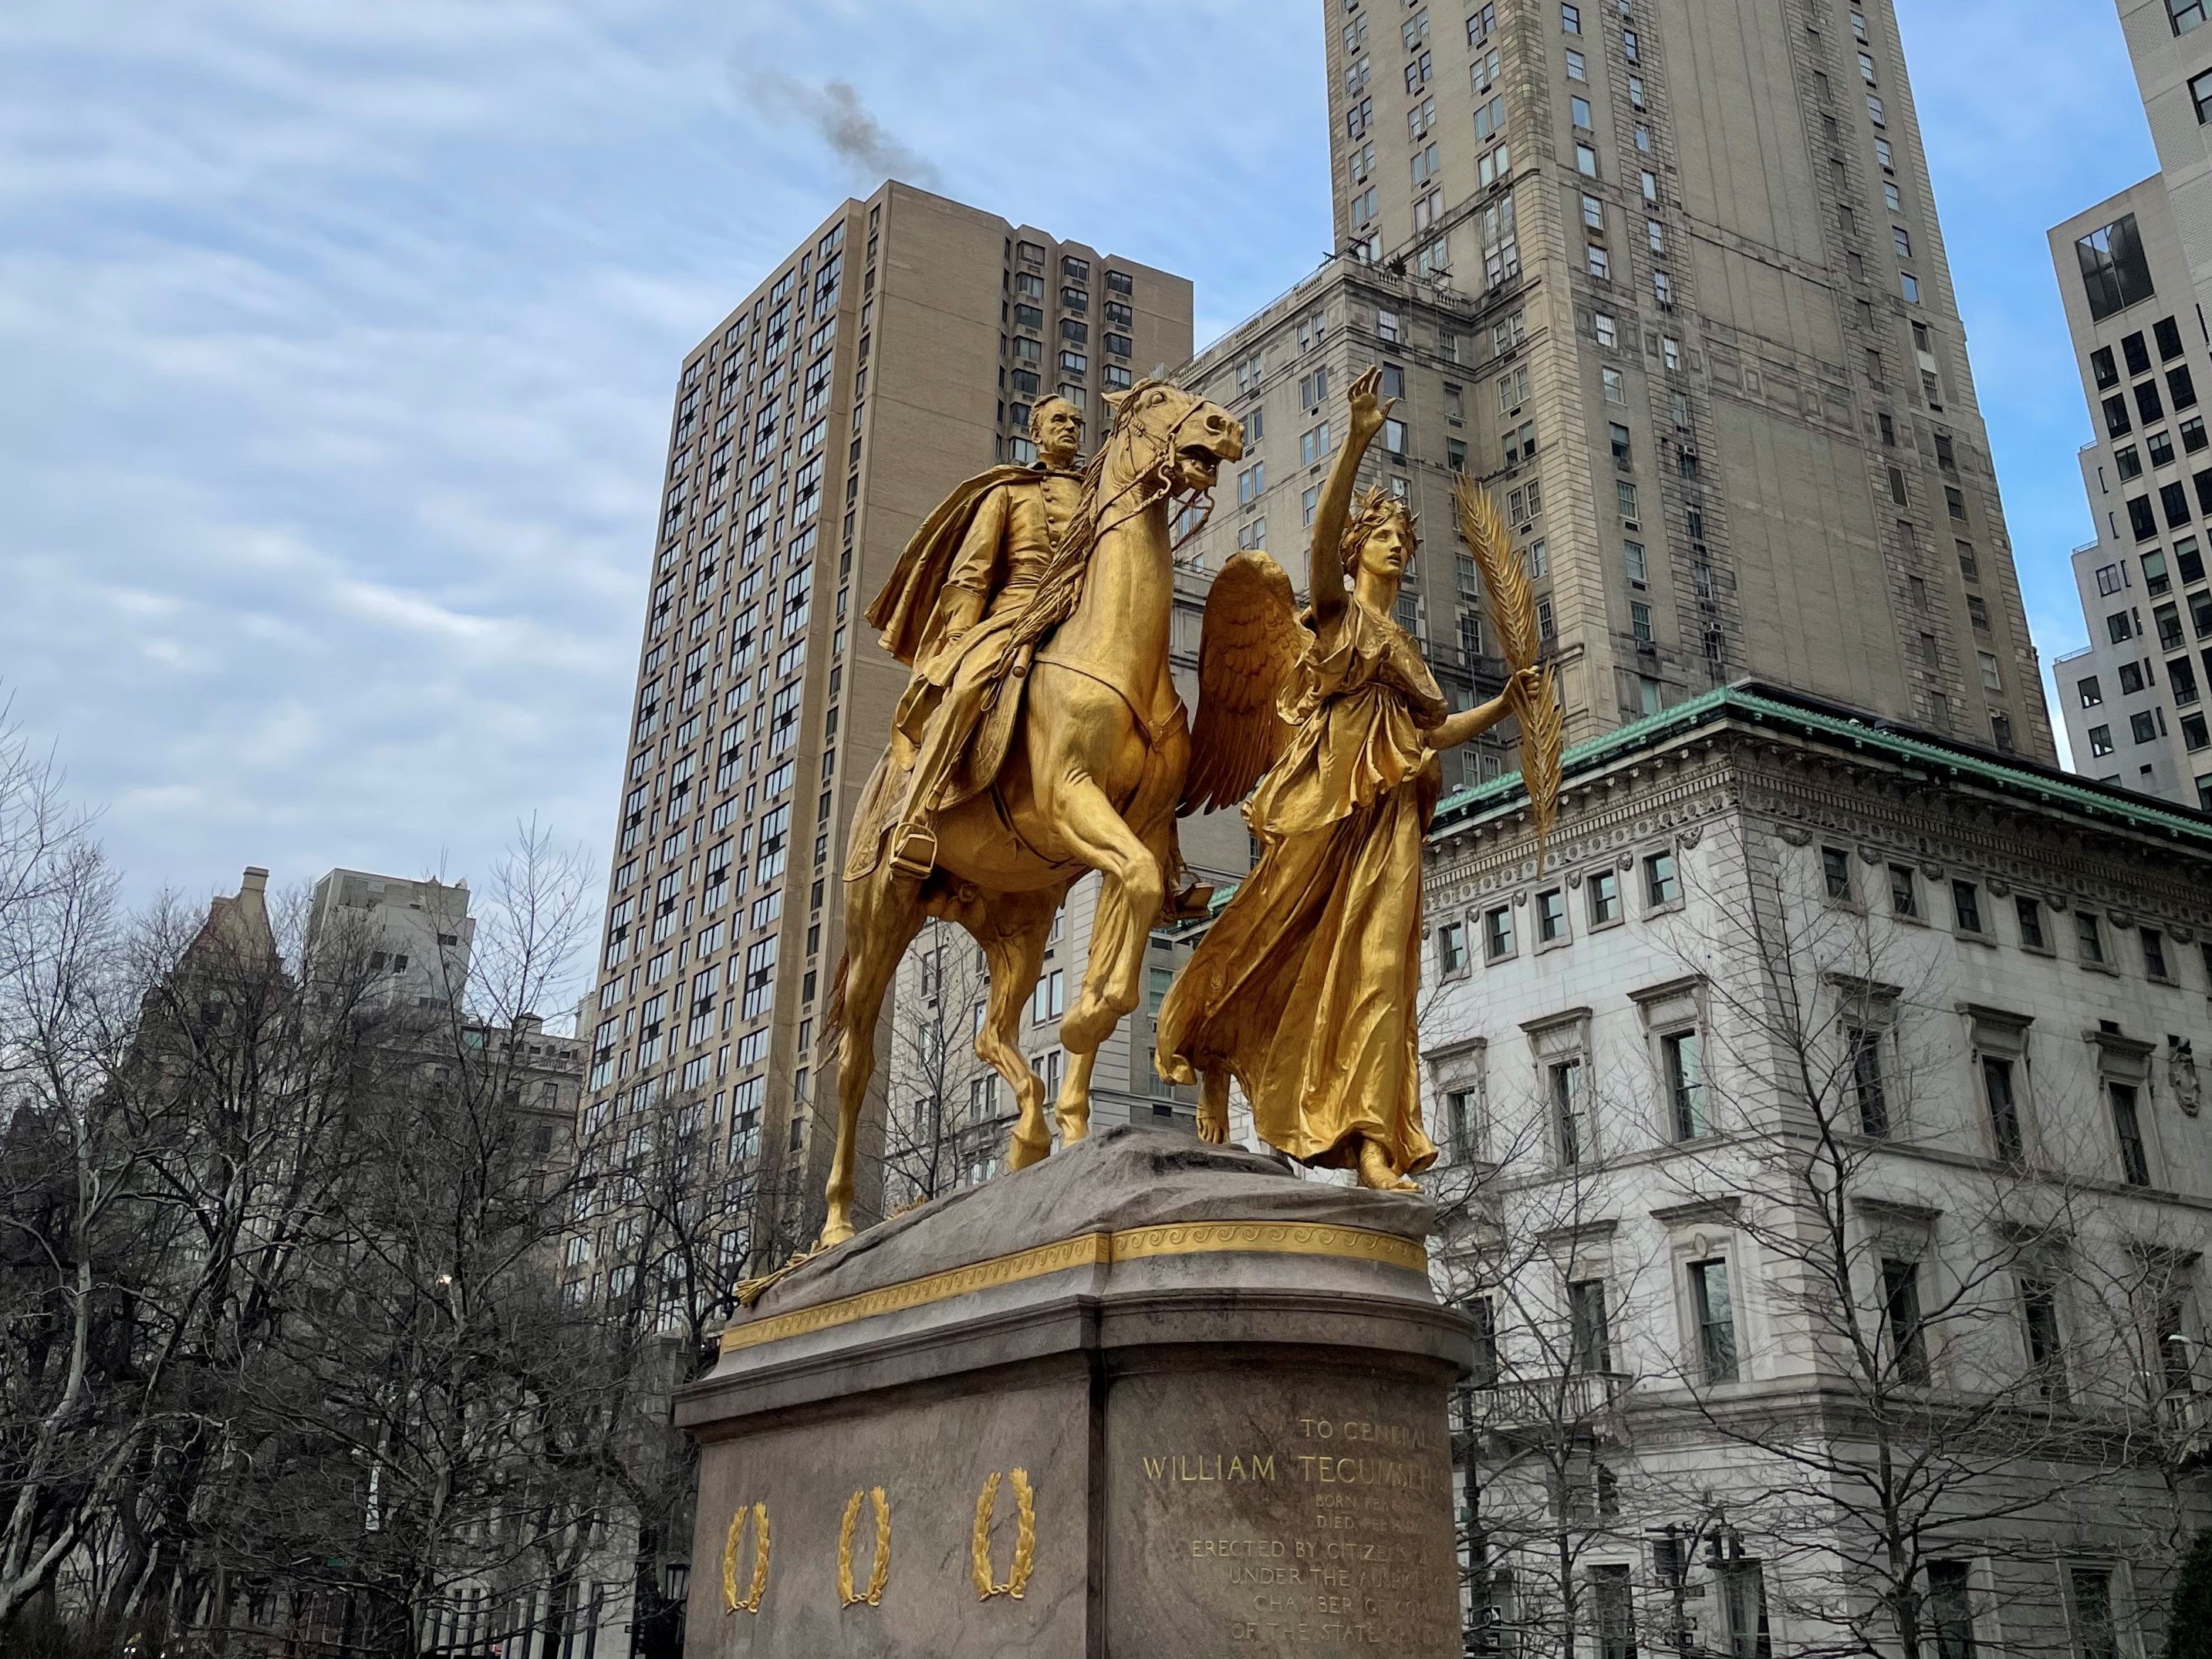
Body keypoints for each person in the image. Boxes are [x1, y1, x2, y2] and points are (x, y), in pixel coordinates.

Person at [1156, 367, 1540, 1191]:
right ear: (1358, 547)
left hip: (1391, 816)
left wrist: (1504, 706)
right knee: (1263, 937)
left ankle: (1372, 1140)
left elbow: (1430, 730)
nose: (1398, 545)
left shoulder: (1403, 647)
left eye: (1405, 538)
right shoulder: (1336, 614)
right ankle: (1212, 1045)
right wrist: (1358, 436)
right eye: (1385, 535)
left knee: (1380, 974)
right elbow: (1319, 540)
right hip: (1325, 810)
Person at [854, 398, 1087, 882]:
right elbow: (972, 572)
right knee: (967, 689)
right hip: (1016, 611)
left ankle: (1166, 855)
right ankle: (917, 813)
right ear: (1036, 434)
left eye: (1077, 422)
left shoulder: (1099, 494)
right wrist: (960, 637)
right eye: (1059, 421)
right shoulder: (1008, 490)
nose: (1071, 428)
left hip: (1083, 611)